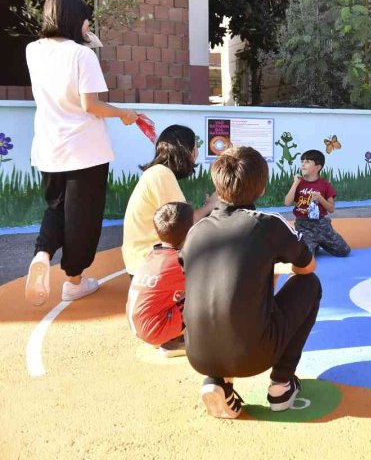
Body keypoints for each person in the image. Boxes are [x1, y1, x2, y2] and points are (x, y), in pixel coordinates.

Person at [182, 146, 321, 419]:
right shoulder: (268, 224)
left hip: (197, 353)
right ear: (261, 188)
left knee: (218, 295)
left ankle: (217, 380)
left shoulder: (196, 231)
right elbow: (307, 267)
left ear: (217, 185)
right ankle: (282, 383)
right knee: (310, 285)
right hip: (254, 354)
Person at [24, 0, 138, 306]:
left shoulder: (33, 50)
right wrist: (125, 114)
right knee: (83, 220)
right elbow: (92, 105)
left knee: (56, 209)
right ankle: (74, 281)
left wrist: (84, 38)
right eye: (87, 18)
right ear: (75, 19)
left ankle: (42, 253)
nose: (90, 23)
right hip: (86, 150)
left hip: (49, 148)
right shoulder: (81, 55)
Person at [122, 125, 217, 277]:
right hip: (149, 264)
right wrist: (211, 205)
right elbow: (183, 224)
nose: (197, 153)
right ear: (186, 151)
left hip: (143, 262)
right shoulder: (161, 174)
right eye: (195, 148)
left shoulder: (156, 173)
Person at [126, 202, 192, 357]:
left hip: (142, 326)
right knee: (207, 292)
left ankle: (170, 334)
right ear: (190, 230)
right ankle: (173, 342)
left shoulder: (153, 255)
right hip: (155, 329)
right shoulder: (179, 261)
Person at [283, 149, 351, 257]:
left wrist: (320, 199)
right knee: (306, 256)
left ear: (317, 167)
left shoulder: (325, 185)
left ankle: (319, 242)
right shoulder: (298, 183)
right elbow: (287, 202)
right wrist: (295, 183)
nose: (303, 164)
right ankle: (313, 244)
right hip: (303, 226)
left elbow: (331, 209)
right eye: (302, 161)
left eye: (307, 161)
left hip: (322, 225)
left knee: (344, 251)